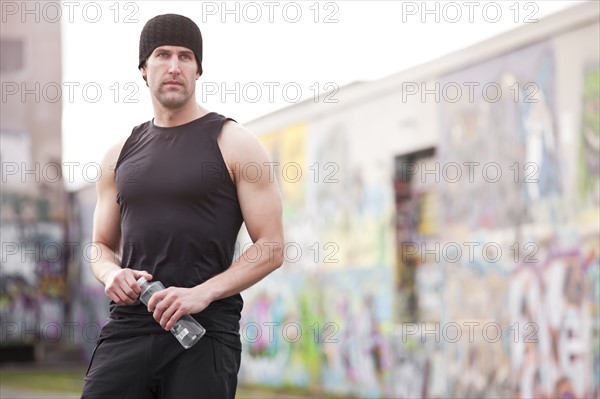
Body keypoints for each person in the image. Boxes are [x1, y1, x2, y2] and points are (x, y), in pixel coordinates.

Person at [81, 13, 284, 399]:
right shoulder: (118, 154)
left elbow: (271, 246)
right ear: (143, 68)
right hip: (129, 328)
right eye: (162, 54)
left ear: (198, 69)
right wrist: (110, 274)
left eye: (185, 56)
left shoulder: (234, 142)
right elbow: (99, 247)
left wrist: (202, 293)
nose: (174, 66)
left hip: (203, 331)